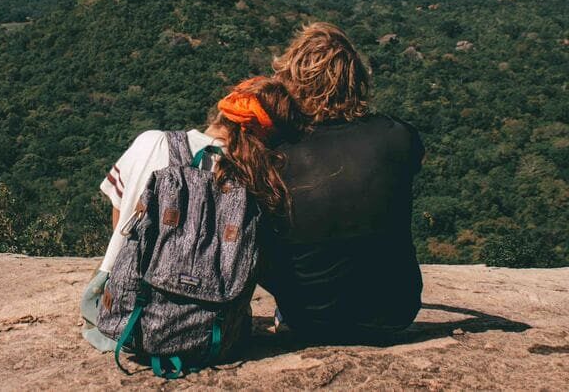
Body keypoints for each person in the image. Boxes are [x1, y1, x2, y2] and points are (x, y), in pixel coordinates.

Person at [80, 76, 306, 352]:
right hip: (212, 328)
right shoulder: (258, 182)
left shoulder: (152, 142)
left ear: (222, 110)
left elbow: (120, 222)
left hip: (124, 319)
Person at [262, 21, 425, 342]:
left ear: (292, 81)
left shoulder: (278, 155)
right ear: (357, 79)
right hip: (394, 312)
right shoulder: (400, 137)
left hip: (309, 318)